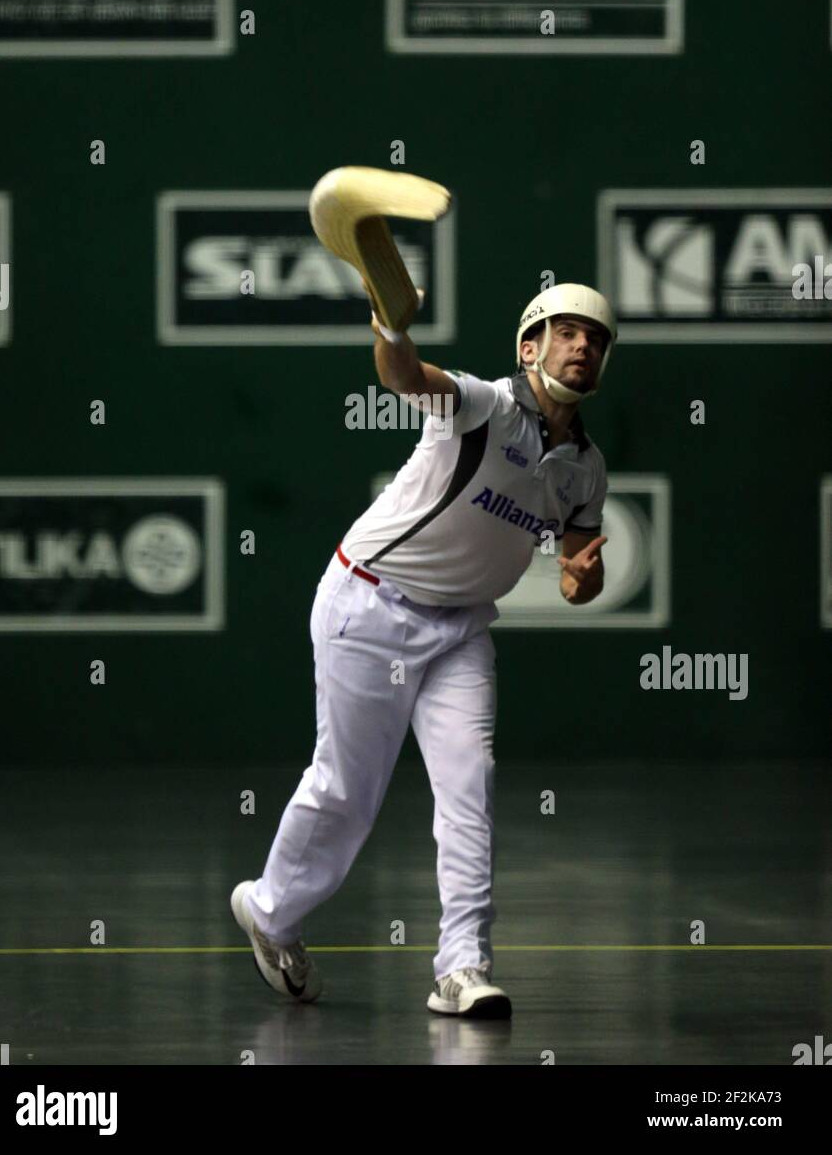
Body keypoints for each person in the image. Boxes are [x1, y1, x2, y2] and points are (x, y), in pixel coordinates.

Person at [231, 282, 617, 1017]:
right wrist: (389, 326)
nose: (583, 347)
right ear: (529, 348)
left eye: (596, 339)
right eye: (566, 332)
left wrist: (580, 578)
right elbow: (403, 374)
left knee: (471, 784)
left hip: (461, 630)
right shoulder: (483, 404)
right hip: (368, 602)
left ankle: (462, 968)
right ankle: (270, 912)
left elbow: (575, 578)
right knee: (347, 787)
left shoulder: (586, 469)